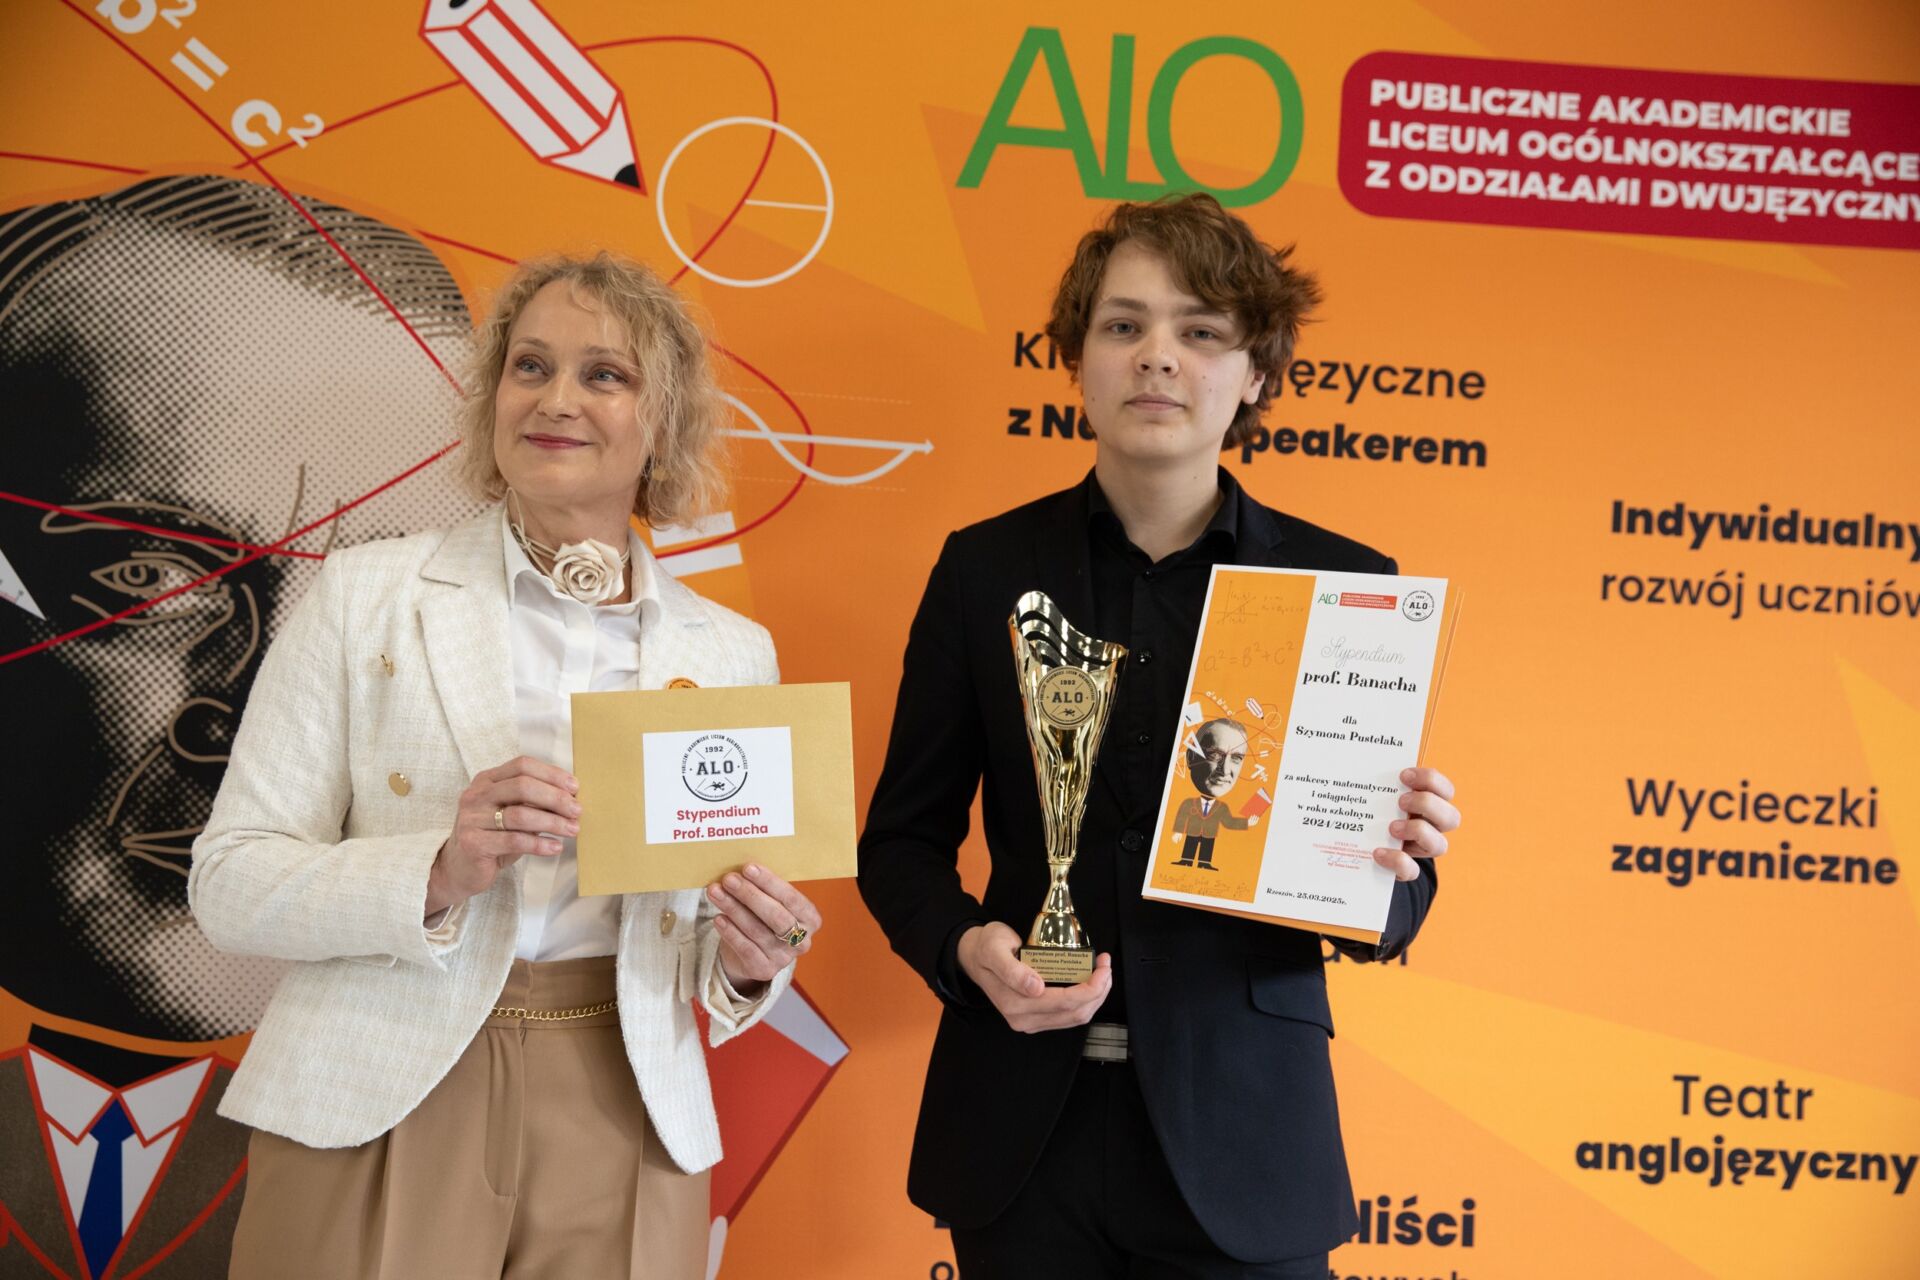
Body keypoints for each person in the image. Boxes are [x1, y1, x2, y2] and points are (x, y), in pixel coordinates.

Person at [857, 193, 1462, 1277]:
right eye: (1124, 325)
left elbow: (1383, 916)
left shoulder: (1344, 588)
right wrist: (962, 946)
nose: (1158, 357)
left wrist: (1397, 862)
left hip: (1244, 1137)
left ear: (1257, 373)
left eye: (1202, 330)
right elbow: (901, 842)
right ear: (1078, 359)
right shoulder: (984, 571)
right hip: (1020, 1138)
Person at [189, 251, 823, 1277]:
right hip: (376, 1082)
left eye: (603, 374)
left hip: (628, 1098)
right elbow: (230, 883)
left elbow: (708, 946)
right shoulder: (364, 595)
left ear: (663, 422)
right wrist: (437, 870)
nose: (556, 398)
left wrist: (753, 957)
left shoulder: (730, 652)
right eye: (530, 366)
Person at [1170, 718, 1257, 869]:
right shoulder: (1188, 803)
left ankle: (1205, 863)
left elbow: (1229, 822)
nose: (1225, 770)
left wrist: (1247, 823)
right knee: (1189, 846)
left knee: (1207, 848)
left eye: (1236, 758)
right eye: (1216, 755)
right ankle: (1186, 860)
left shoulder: (1221, 808)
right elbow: (1182, 817)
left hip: (1209, 835)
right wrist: (1178, 832)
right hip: (1191, 833)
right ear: (1191, 757)